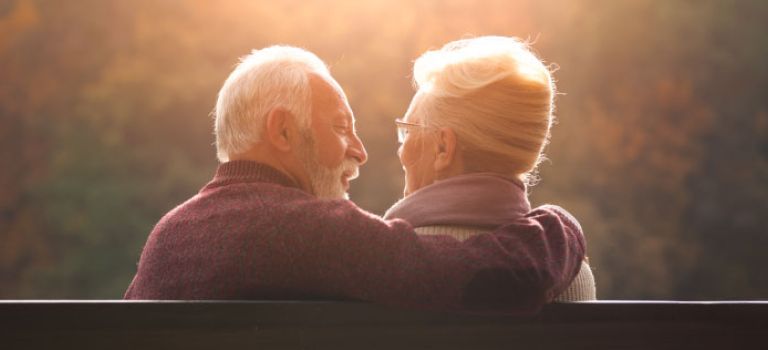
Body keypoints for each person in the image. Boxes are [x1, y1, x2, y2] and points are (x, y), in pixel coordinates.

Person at [124, 45, 587, 314]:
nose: (361, 151)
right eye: (341, 128)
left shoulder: (169, 234)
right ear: (283, 131)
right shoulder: (306, 231)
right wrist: (560, 226)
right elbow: (491, 278)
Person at [385, 36, 596, 301]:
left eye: (408, 131)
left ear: (443, 148)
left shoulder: (388, 266)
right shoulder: (573, 272)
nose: (401, 150)